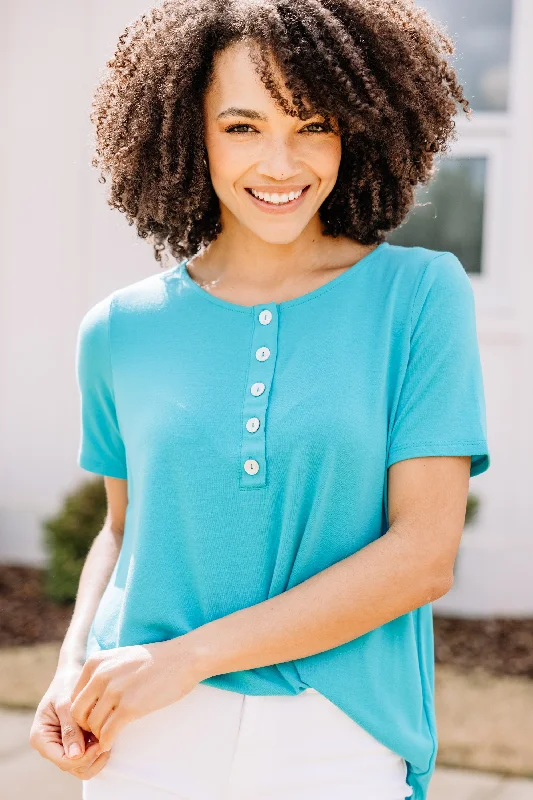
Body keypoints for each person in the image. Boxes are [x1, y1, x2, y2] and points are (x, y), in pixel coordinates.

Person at [29, 1, 490, 798]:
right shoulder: (119, 329)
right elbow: (122, 529)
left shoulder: (417, 297)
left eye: (313, 125)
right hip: (141, 730)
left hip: (338, 733)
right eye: (241, 127)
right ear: (185, 132)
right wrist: (74, 671)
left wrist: (186, 659)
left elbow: (422, 555)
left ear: (357, 130)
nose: (281, 164)